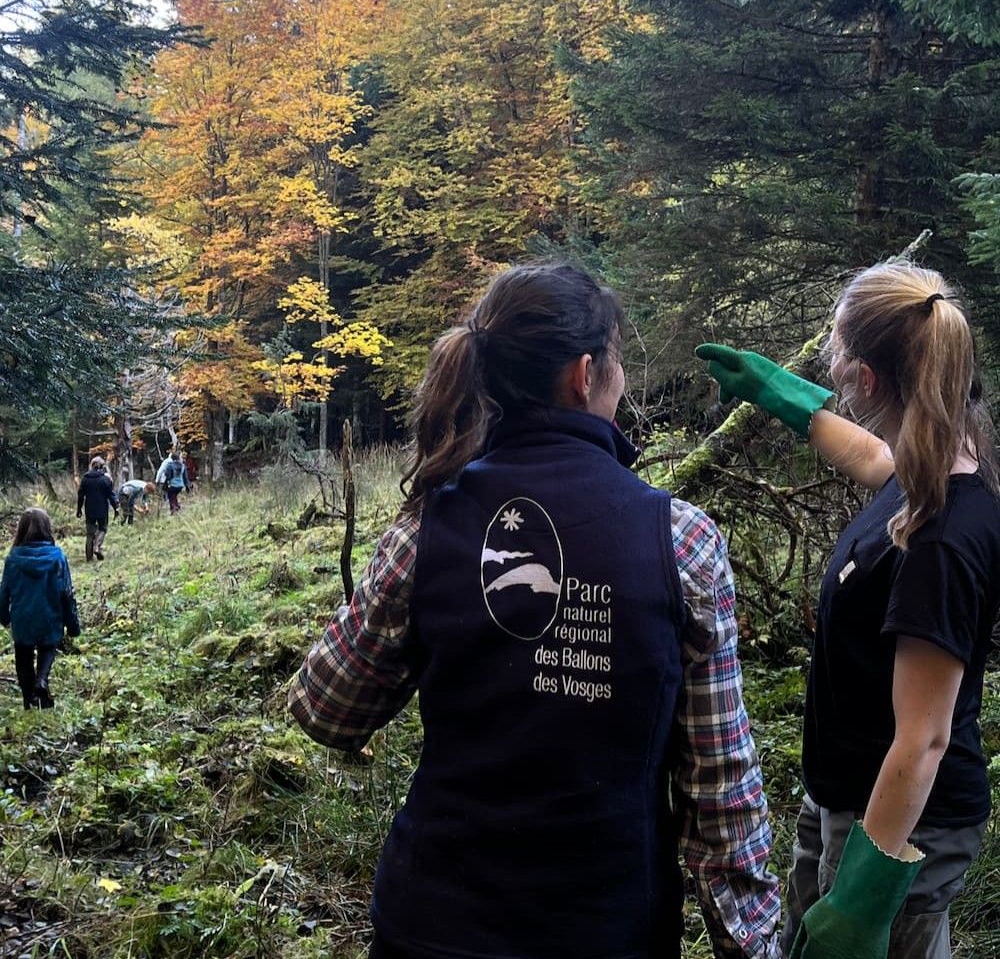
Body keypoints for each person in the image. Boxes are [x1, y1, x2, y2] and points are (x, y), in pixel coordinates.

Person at [290, 262, 780, 959]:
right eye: (618, 362)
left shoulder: (426, 527)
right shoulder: (682, 541)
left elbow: (325, 708)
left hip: (432, 927)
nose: (624, 381)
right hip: (610, 930)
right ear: (585, 374)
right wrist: (753, 945)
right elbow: (721, 787)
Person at [696, 261, 1000, 959]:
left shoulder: (941, 543)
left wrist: (863, 900)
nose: (828, 363)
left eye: (835, 352)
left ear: (867, 379)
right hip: (848, 798)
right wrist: (786, 398)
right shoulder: (938, 463)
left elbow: (923, 738)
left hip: (892, 829)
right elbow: (874, 458)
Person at [0, 507, 80, 709]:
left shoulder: (13, 559)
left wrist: (4, 616)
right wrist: (72, 624)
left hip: (22, 617)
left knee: (23, 659)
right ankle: (42, 680)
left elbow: (4, 591)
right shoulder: (58, 557)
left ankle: (29, 700)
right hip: (50, 614)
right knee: (48, 648)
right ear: (47, 528)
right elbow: (67, 593)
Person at [76, 456, 119, 561]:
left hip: (89, 509)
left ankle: (89, 557)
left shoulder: (85, 479)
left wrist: (79, 509)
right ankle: (97, 546)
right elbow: (111, 495)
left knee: (90, 533)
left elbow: (80, 495)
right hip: (102, 509)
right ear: (102, 466)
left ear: (91, 465)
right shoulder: (105, 480)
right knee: (103, 528)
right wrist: (115, 508)